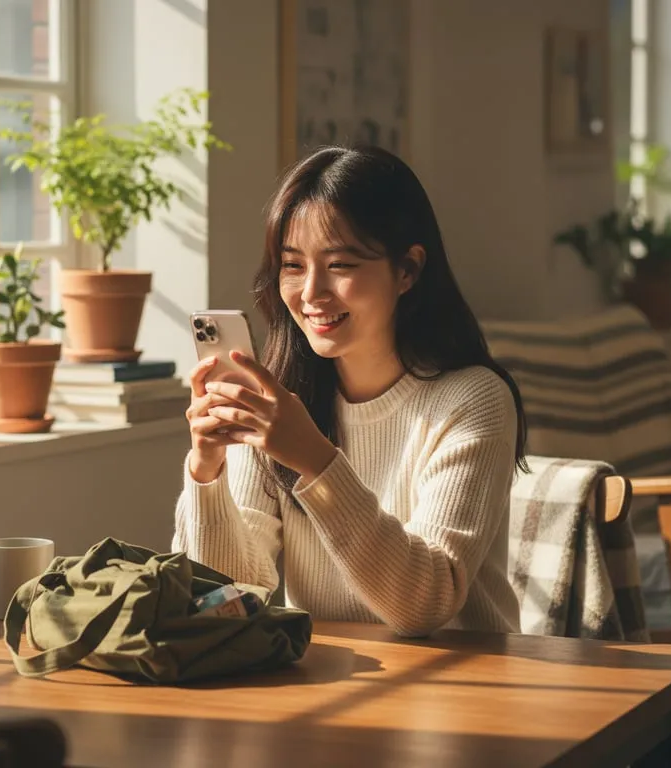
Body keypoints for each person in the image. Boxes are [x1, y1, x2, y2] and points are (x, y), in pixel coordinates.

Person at [173, 145, 527, 637]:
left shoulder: (473, 399)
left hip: (468, 674)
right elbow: (224, 599)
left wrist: (315, 459)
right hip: (329, 673)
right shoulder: (279, 401)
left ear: (408, 270)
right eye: (292, 265)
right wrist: (207, 471)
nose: (311, 293)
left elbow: (426, 605)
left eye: (339, 265)